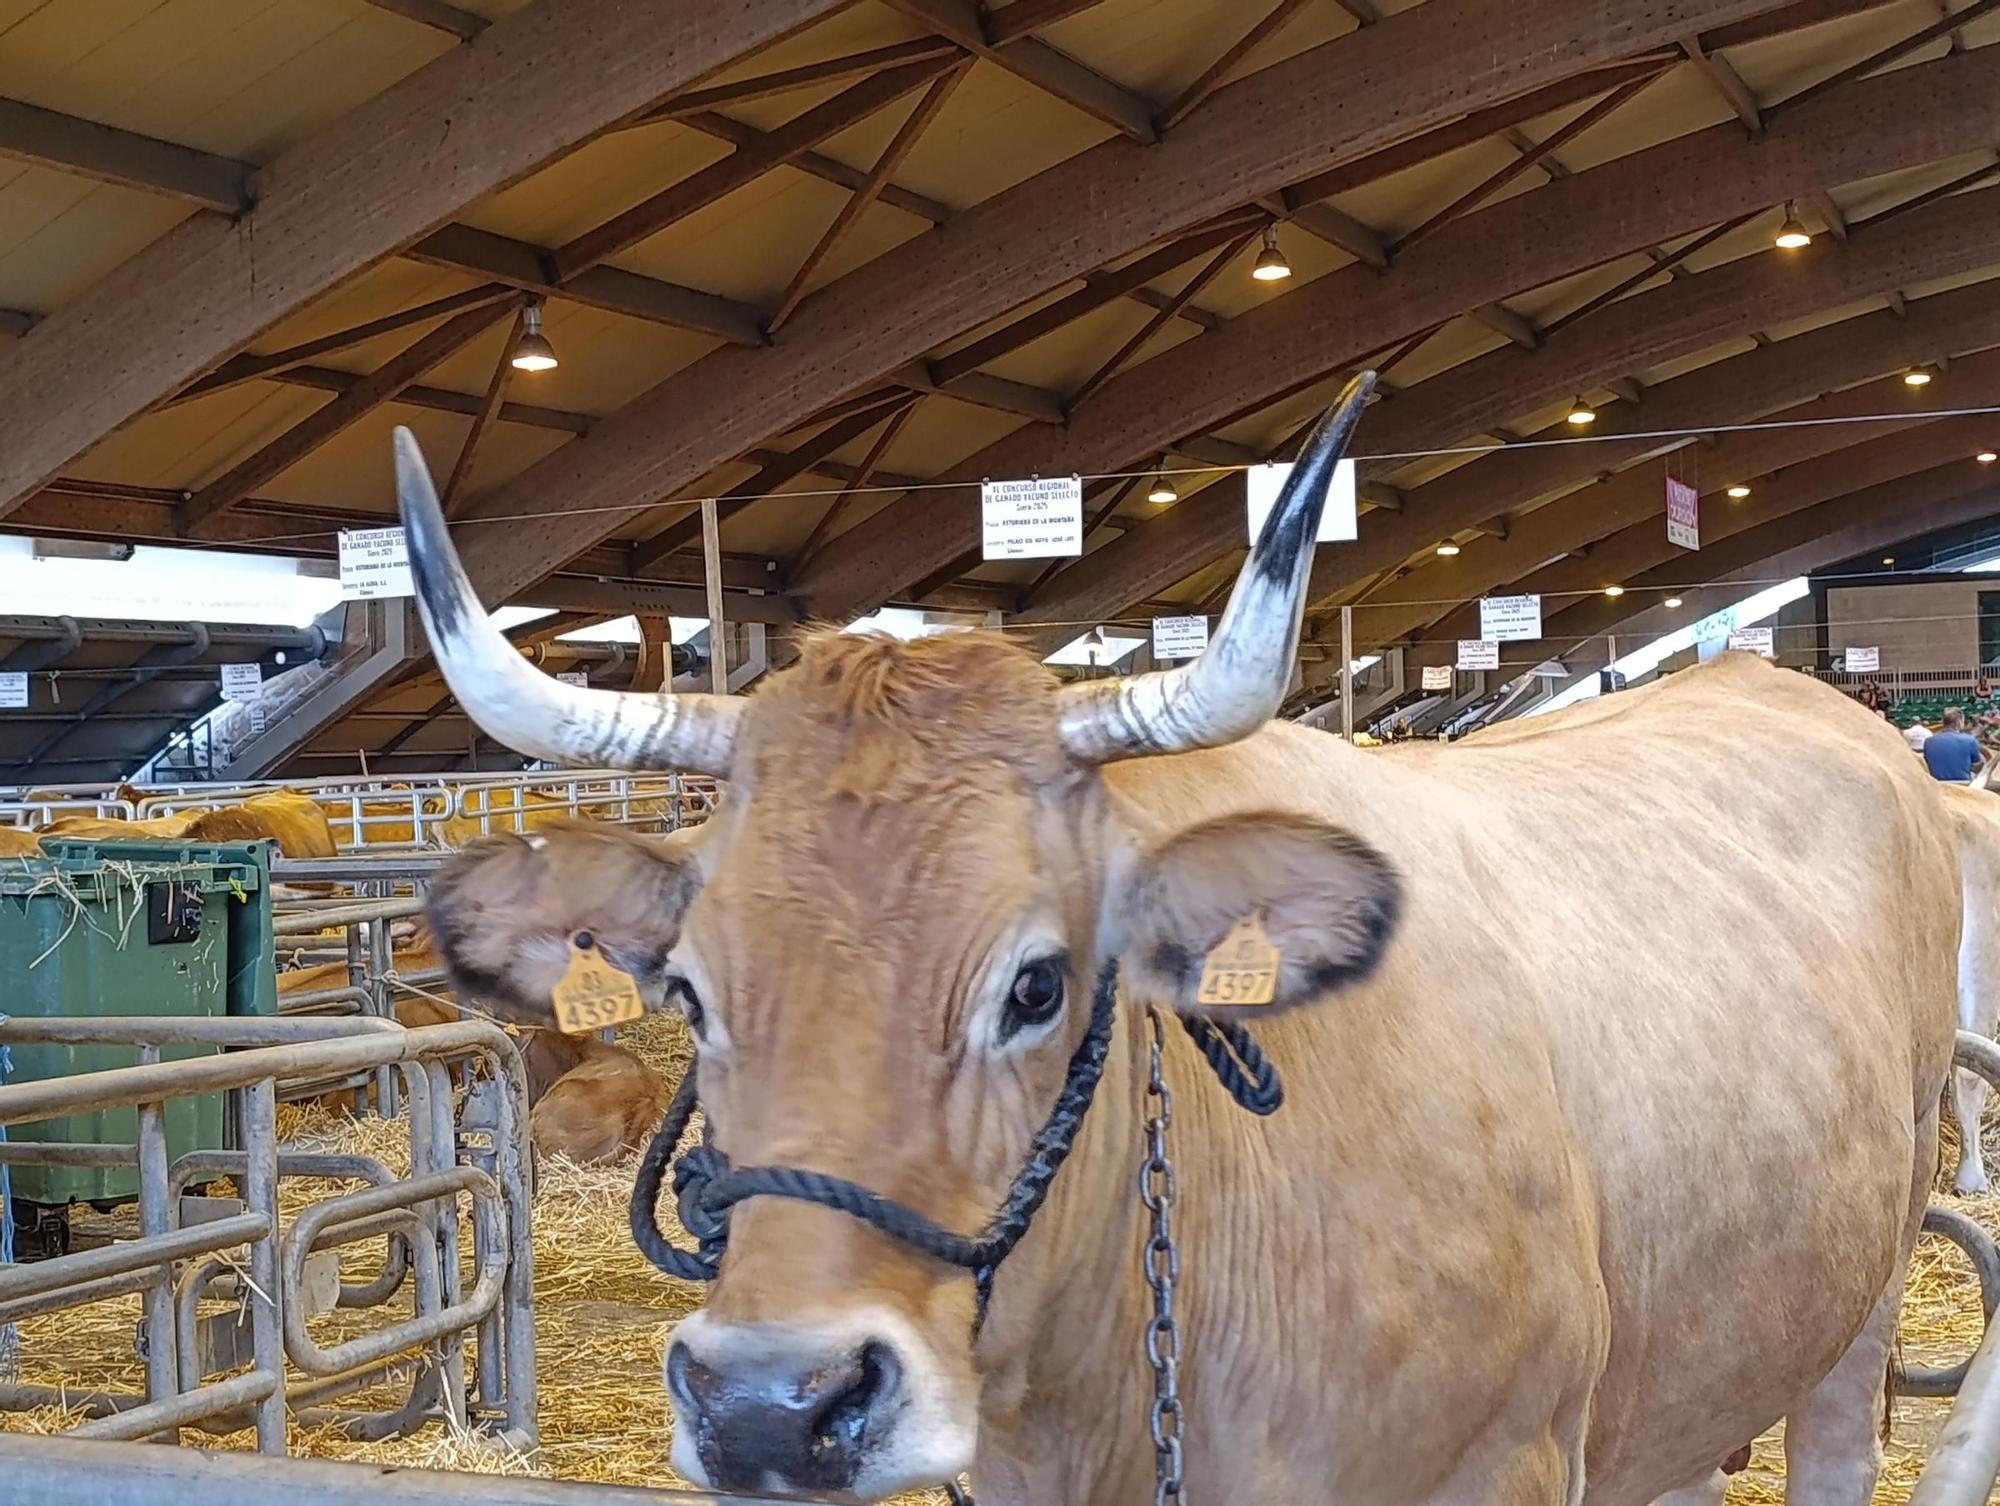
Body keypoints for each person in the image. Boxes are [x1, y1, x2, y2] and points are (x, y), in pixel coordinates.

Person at [1923, 707, 1985, 782]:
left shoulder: (1928, 741)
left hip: (1937, 784)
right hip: (1963, 783)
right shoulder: (1970, 740)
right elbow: (1977, 765)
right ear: (1959, 722)